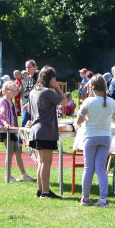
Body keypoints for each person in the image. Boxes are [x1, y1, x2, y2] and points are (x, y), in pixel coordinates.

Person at [75, 74, 115, 208]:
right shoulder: (111, 101)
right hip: (105, 137)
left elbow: (79, 120)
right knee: (101, 169)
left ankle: (85, 197)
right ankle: (103, 199)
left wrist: (87, 120)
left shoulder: (88, 102)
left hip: (90, 137)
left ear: (92, 88)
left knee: (88, 168)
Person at [28, 65, 69, 198]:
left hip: (35, 130)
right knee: (46, 162)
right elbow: (65, 102)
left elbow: (28, 109)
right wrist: (57, 87)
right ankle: (46, 192)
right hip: (45, 130)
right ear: (51, 79)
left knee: (40, 162)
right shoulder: (47, 92)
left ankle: (40, 190)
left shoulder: (33, 91)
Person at [0, 80, 33, 184]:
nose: (14, 92)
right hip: (6, 131)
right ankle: (8, 176)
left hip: (12, 130)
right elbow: (1, 115)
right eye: (11, 90)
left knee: (17, 151)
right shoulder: (3, 102)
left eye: (15, 90)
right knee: (10, 152)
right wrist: (6, 124)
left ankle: (24, 175)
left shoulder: (11, 102)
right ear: (5, 90)